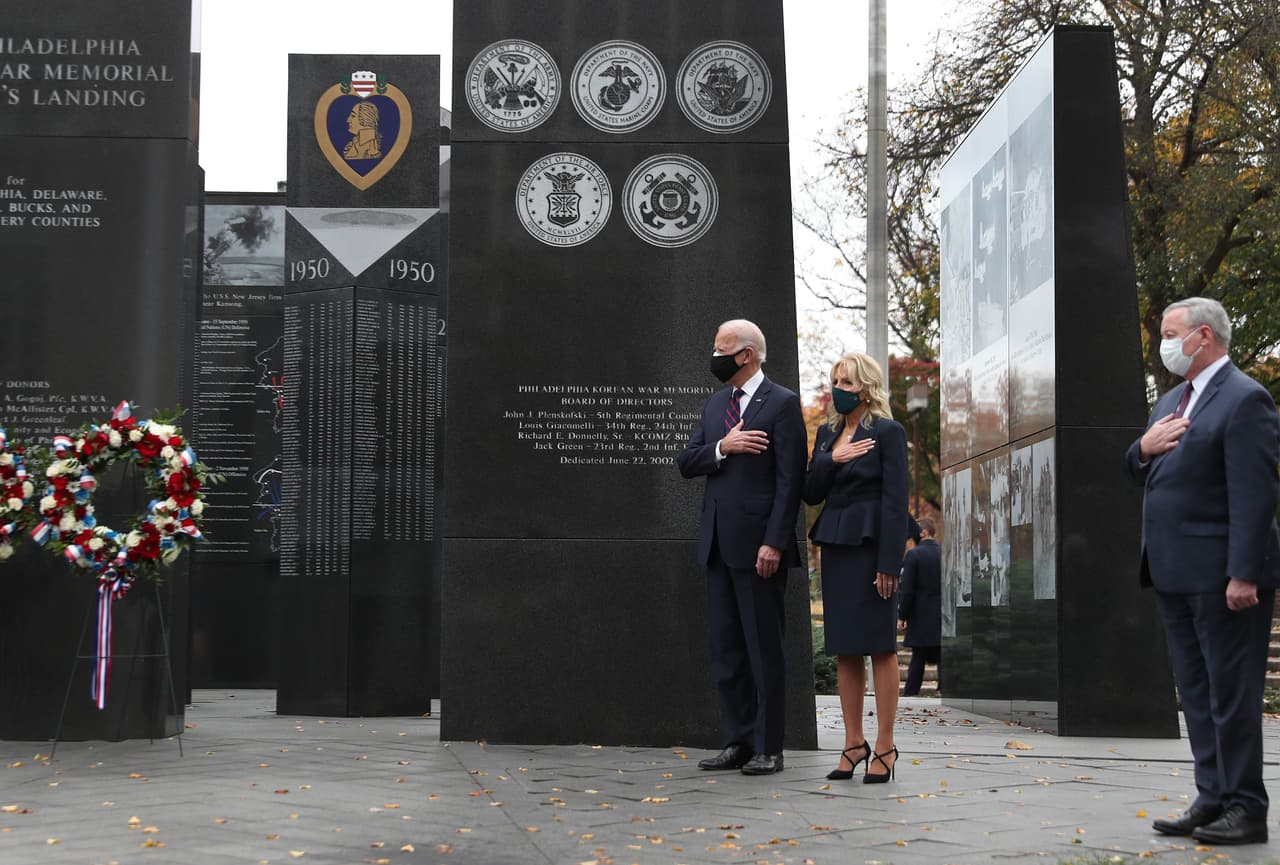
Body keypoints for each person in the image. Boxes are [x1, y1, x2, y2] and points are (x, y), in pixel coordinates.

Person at [1126, 296, 1280, 845]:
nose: (1164, 343)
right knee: (1195, 692)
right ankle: (1212, 797)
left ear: (1205, 337)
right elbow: (1137, 467)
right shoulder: (1172, 400)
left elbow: (1255, 497)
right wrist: (1142, 449)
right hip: (1173, 574)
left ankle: (1246, 807)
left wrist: (1245, 574)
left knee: (1231, 694)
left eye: (1172, 332)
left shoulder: (1245, 399)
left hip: (1223, 579)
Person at [677, 319, 807, 776]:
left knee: (763, 649)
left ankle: (769, 747)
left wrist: (774, 542)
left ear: (748, 353)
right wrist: (723, 447)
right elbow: (686, 461)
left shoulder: (783, 404)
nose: (715, 355)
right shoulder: (716, 406)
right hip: (716, 546)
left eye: (722, 348)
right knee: (727, 650)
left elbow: (791, 482)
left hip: (759, 552)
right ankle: (736, 741)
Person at [803, 352, 909, 783]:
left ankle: (885, 745)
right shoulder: (828, 436)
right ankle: (853, 743)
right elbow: (810, 492)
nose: (837, 390)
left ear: (865, 388)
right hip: (837, 546)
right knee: (845, 646)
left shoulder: (888, 431)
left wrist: (890, 562)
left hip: (872, 549)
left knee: (880, 645)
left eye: (846, 383)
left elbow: (896, 501)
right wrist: (835, 459)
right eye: (834, 381)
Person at [898, 517, 941, 697]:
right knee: (942, 654)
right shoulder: (946, 553)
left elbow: (907, 589)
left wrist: (902, 615)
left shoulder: (913, 555)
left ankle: (911, 692)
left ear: (923, 532)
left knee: (918, 657)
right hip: (942, 614)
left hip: (920, 614)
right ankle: (945, 690)